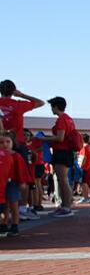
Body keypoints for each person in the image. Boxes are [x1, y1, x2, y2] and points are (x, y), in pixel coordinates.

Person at [0, 80, 45, 221]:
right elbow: (41, 102)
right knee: (23, 179)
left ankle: (6, 212)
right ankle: (21, 210)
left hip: (1, 143)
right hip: (18, 143)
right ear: (13, 91)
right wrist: (22, 94)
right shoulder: (18, 105)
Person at [37, 97, 78, 217]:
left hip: (62, 152)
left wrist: (43, 138)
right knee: (62, 180)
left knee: (63, 180)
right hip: (66, 152)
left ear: (55, 106)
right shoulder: (68, 119)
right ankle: (65, 206)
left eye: (52, 106)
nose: (51, 109)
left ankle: (66, 207)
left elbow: (60, 138)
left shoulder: (62, 119)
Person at [0, 131, 30, 237]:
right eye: (2, 142)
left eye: (8, 142)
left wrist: (22, 182)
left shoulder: (16, 156)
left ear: (13, 143)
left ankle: (14, 225)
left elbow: (21, 170)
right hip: (2, 184)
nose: (5, 144)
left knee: (14, 205)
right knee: (4, 206)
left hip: (12, 183)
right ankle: (3, 224)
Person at [77, 134, 90, 203]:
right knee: (86, 182)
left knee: (84, 183)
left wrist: (80, 166)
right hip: (89, 167)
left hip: (85, 167)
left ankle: (86, 197)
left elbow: (83, 157)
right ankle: (87, 196)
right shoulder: (89, 147)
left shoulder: (84, 147)